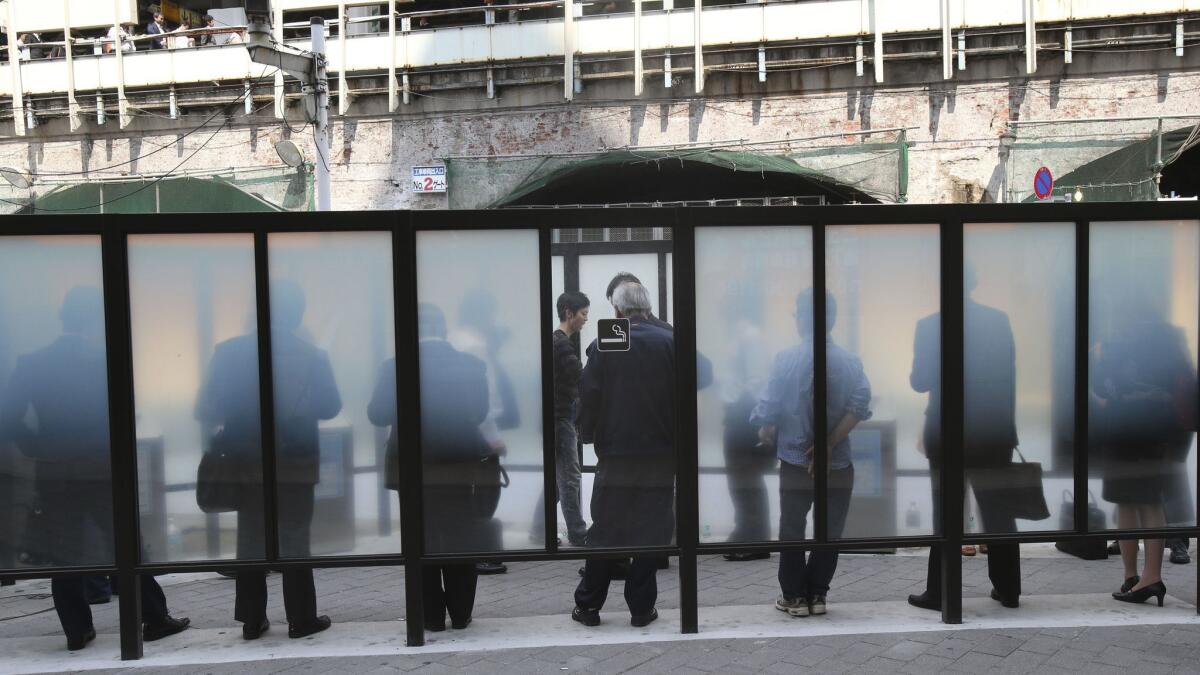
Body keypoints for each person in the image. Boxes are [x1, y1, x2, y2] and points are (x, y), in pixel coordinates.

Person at [0, 286, 189, 651]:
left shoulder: (32, 362)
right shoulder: (106, 360)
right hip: (103, 469)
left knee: (62, 550)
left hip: (54, 471)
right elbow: (124, 412)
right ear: (95, 319)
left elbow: (9, 420)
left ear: (63, 318)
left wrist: (39, 447)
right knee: (126, 545)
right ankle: (154, 618)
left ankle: (77, 630)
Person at [195, 280, 340, 640]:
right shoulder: (312, 355)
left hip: (245, 461)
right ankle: (301, 618)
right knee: (294, 538)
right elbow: (331, 406)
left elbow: (205, 407)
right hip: (296, 462)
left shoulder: (227, 352)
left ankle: (251, 620)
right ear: (297, 314)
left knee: (250, 539)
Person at [908, 266, 1025, 611]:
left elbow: (919, 381)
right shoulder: (997, 321)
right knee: (999, 509)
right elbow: (1009, 377)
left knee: (946, 510)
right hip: (992, 430)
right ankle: (1008, 589)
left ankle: (940, 590)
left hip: (946, 431)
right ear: (974, 285)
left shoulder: (930, 325)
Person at [751, 289, 871, 617]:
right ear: (831, 319)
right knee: (829, 529)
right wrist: (829, 443)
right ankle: (818, 595)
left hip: (794, 460)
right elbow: (860, 405)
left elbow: (767, 407)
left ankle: (793, 597)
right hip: (839, 462)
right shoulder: (850, 361)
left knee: (792, 525)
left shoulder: (786, 359)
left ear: (802, 319)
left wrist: (766, 427)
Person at [573, 282, 674, 628]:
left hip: (616, 455)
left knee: (605, 530)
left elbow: (590, 393)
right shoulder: (669, 340)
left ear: (617, 311)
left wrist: (587, 434)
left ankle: (588, 606)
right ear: (648, 308)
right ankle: (641, 609)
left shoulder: (611, 338)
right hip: (660, 456)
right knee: (649, 532)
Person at [1091, 303, 1196, 606]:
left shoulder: (1118, 345)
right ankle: (1142, 577)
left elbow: (1102, 389)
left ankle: (1138, 576)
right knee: (1143, 501)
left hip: (1130, 429)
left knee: (1133, 500)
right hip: (1151, 432)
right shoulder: (1164, 342)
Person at [413, 303, 490, 630]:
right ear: (443, 328)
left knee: (422, 538)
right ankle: (461, 612)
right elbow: (480, 413)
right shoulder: (471, 365)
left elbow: (377, 413)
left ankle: (430, 616)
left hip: (416, 469)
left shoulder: (397, 366)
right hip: (460, 466)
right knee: (460, 534)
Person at [450, 289, 516, 575]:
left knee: (469, 491)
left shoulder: (454, 339)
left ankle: (468, 549)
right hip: (478, 433)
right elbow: (483, 397)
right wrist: (492, 436)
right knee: (485, 492)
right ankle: (479, 552)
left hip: (458, 431)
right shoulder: (475, 346)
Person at [531, 292, 590, 547]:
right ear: (569, 313)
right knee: (570, 477)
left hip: (555, 418)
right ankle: (577, 532)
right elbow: (580, 377)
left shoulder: (555, 342)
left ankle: (538, 529)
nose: (586, 320)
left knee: (558, 478)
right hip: (560, 418)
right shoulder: (562, 344)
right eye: (584, 314)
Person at [721, 302, 773, 559]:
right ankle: (747, 532)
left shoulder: (750, 337)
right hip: (740, 413)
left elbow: (757, 380)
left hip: (744, 414)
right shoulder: (740, 336)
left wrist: (743, 410)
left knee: (746, 477)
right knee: (740, 477)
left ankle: (753, 537)